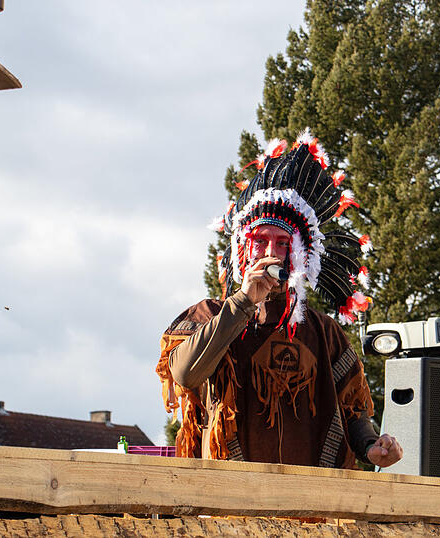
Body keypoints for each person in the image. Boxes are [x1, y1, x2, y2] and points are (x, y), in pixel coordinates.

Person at [156, 129, 402, 469]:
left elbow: (352, 412)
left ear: (300, 254)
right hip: (230, 509)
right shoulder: (209, 314)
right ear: (243, 251)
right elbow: (184, 374)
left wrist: (371, 445)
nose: (271, 253)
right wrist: (243, 302)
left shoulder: (323, 333)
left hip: (312, 512)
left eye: (283, 243)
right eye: (261, 241)